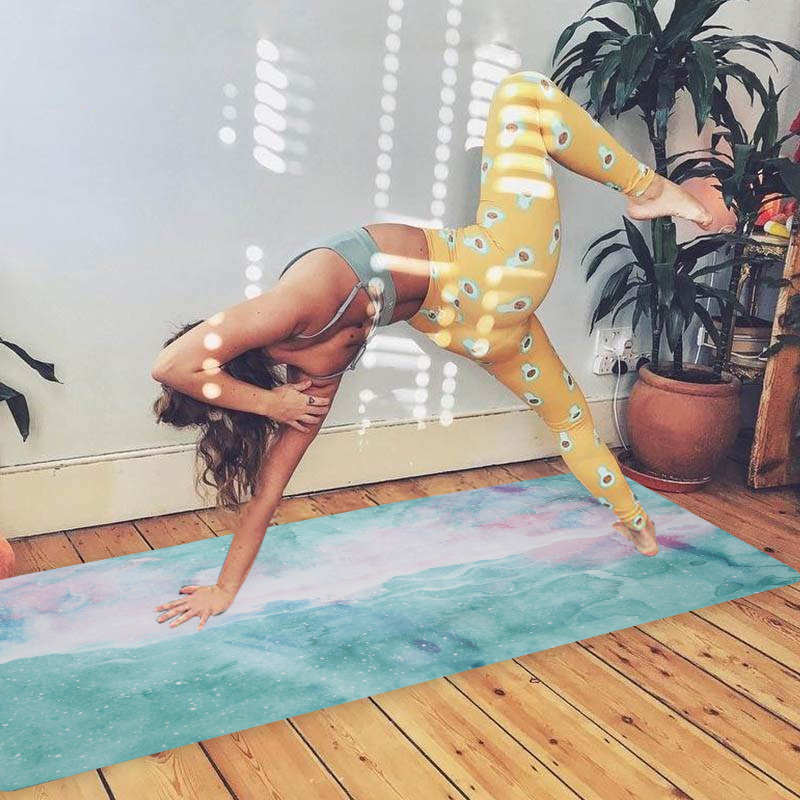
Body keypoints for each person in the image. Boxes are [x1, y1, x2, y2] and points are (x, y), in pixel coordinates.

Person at [151, 70, 712, 631]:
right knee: (522, 95)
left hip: (470, 329)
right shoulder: (288, 309)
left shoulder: (310, 381)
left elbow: (266, 494)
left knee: (568, 419)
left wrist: (225, 590)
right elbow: (171, 365)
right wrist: (270, 405)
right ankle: (647, 189)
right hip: (491, 277)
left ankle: (636, 523)